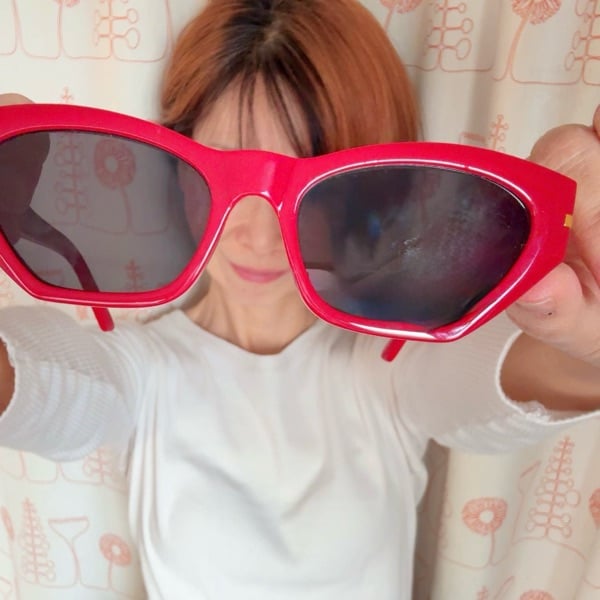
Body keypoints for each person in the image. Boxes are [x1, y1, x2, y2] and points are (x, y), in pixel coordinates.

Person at [0, 0, 599, 598]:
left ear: (371, 195)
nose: (258, 235)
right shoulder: (142, 370)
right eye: (221, 171)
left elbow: (523, 373)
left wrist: (587, 337)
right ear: (175, 167)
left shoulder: (389, 365)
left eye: (317, 187)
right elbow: (43, 387)